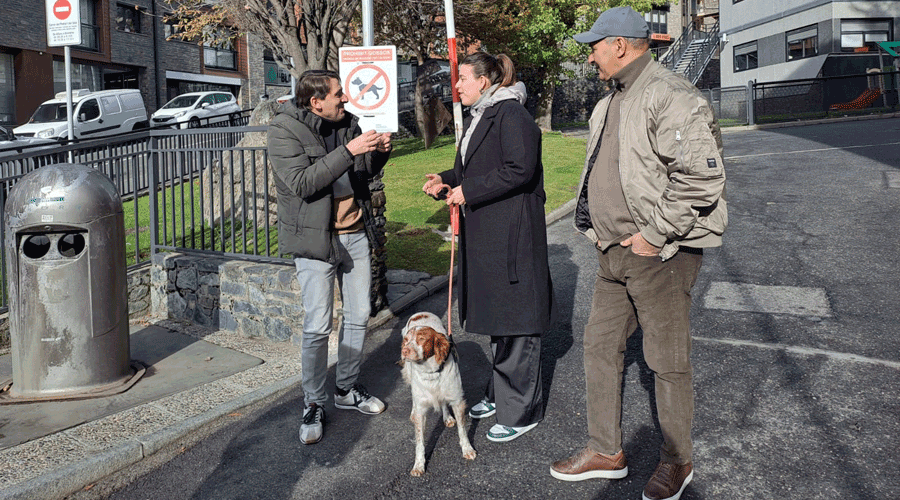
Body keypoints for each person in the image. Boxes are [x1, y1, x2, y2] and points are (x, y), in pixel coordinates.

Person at [548, 7, 727, 500]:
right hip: (613, 252)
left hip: (659, 253)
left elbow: (702, 177)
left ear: (621, 45)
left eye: (595, 45)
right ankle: (606, 450)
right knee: (600, 345)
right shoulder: (612, 100)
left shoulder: (669, 94)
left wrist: (654, 234)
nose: (590, 55)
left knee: (666, 360)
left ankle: (677, 461)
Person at [423, 52, 553, 443]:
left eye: (462, 78)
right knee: (501, 318)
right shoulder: (483, 113)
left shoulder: (511, 114)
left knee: (517, 322)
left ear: (485, 80)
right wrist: (448, 181)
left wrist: (469, 190)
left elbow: (520, 168)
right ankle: (500, 395)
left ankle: (522, 411)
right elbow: (474, 168)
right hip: (491, 233)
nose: (456, 85)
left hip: (512, 233)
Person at [267, 69, 393, 445]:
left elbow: (360, 173)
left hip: (354, 233)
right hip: (316, 240)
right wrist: (348, 150)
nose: (346, 99)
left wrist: (378, 153)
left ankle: (347, 389)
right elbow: (303, 183)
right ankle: (313, 402)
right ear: (315, 101)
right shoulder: (283, 130)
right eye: (339, 94)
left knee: (358, 316)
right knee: (318, 325)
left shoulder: (346, 122)